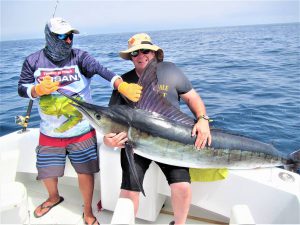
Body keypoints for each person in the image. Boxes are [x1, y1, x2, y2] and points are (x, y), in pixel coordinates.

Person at [17, 17, 142, 225]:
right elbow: (22, 88)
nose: (68, 41)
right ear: (49, 36)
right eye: (62, 36)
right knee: (47, 171)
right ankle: (53, 197)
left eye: (70, 36)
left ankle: (87, 209)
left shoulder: (80, 57)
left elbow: (104, 72)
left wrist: (121, 85)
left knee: (85, 172)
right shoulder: (33, 61)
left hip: (83, 131)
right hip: (49, 133)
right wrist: (35, 90)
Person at [103, 33, 211, 224]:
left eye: (145, 50)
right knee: (128, 191)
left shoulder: (171, 70)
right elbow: (109, 120)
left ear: (154, 53)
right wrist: (108, 140)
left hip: (170, 143)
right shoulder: (123, 83)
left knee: (183, 187)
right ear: (131, 57)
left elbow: (192, 98)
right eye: (135, 52)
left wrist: (202, 119)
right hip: (135, 144)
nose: (140, 55)